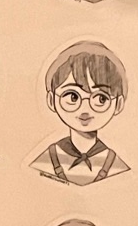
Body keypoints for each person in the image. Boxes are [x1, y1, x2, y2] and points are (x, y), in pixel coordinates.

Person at [29, 41, 130, 186]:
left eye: (101, 99)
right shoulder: (45, 161)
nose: (85, 109)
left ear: (118, 104)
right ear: (51, 100)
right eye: (73, 97)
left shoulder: (117, 166)